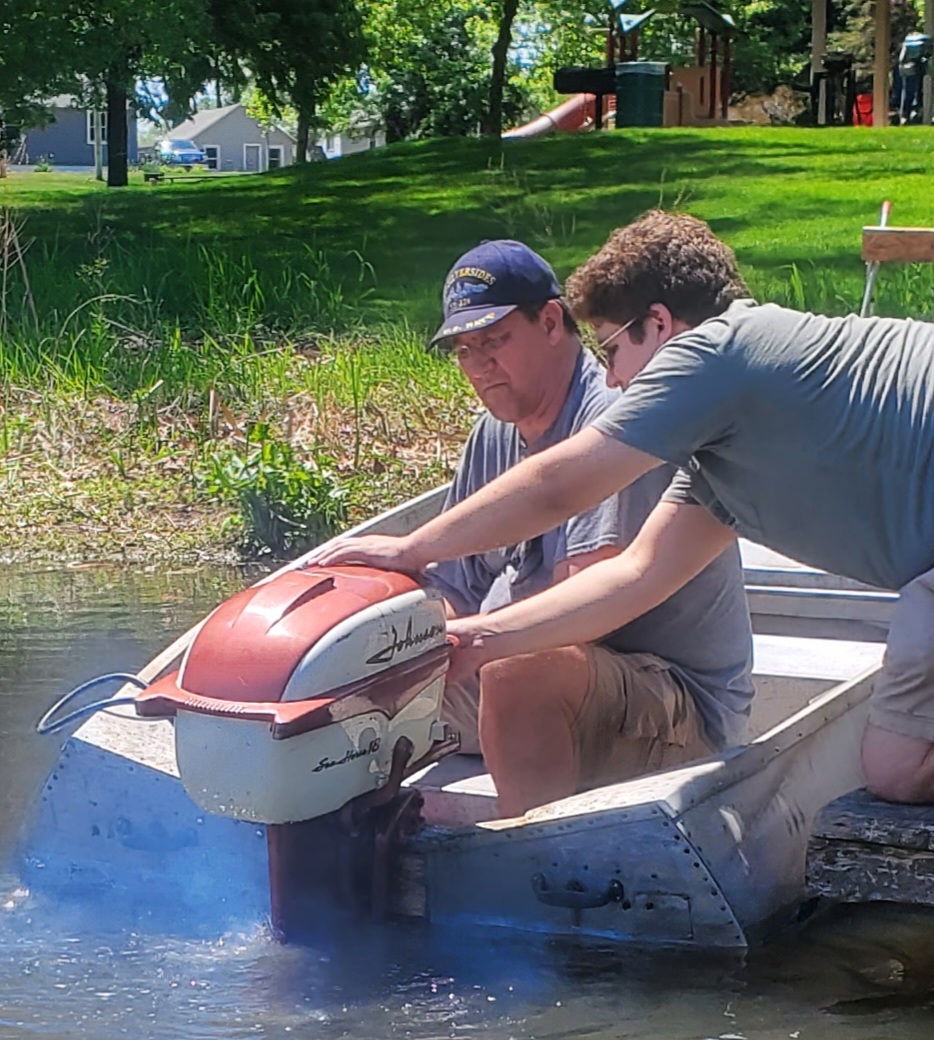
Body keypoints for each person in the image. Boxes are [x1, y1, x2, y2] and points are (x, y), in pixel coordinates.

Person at [317, 210, 934, 806]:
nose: (612, 380)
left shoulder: (717, 353)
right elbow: (637, 573)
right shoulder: (724, 449)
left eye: (611, 351)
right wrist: (477, 640)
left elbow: (562, 487)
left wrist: (412, 548)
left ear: (659, 324)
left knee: (897, 769)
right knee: (895, 765)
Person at [405, 238, 754, 817]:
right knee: (352, 664)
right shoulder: (492, 434)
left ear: (549, 323)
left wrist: (474, 638)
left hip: (675, 710)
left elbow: (583, 608)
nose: (479, 365)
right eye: (464, 350)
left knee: (519, 669)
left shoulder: (618, 424)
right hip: (534, 686)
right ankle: (342, 852)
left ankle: (535, 862)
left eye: (493, 341)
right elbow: (449, 590)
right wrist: (400, 646)